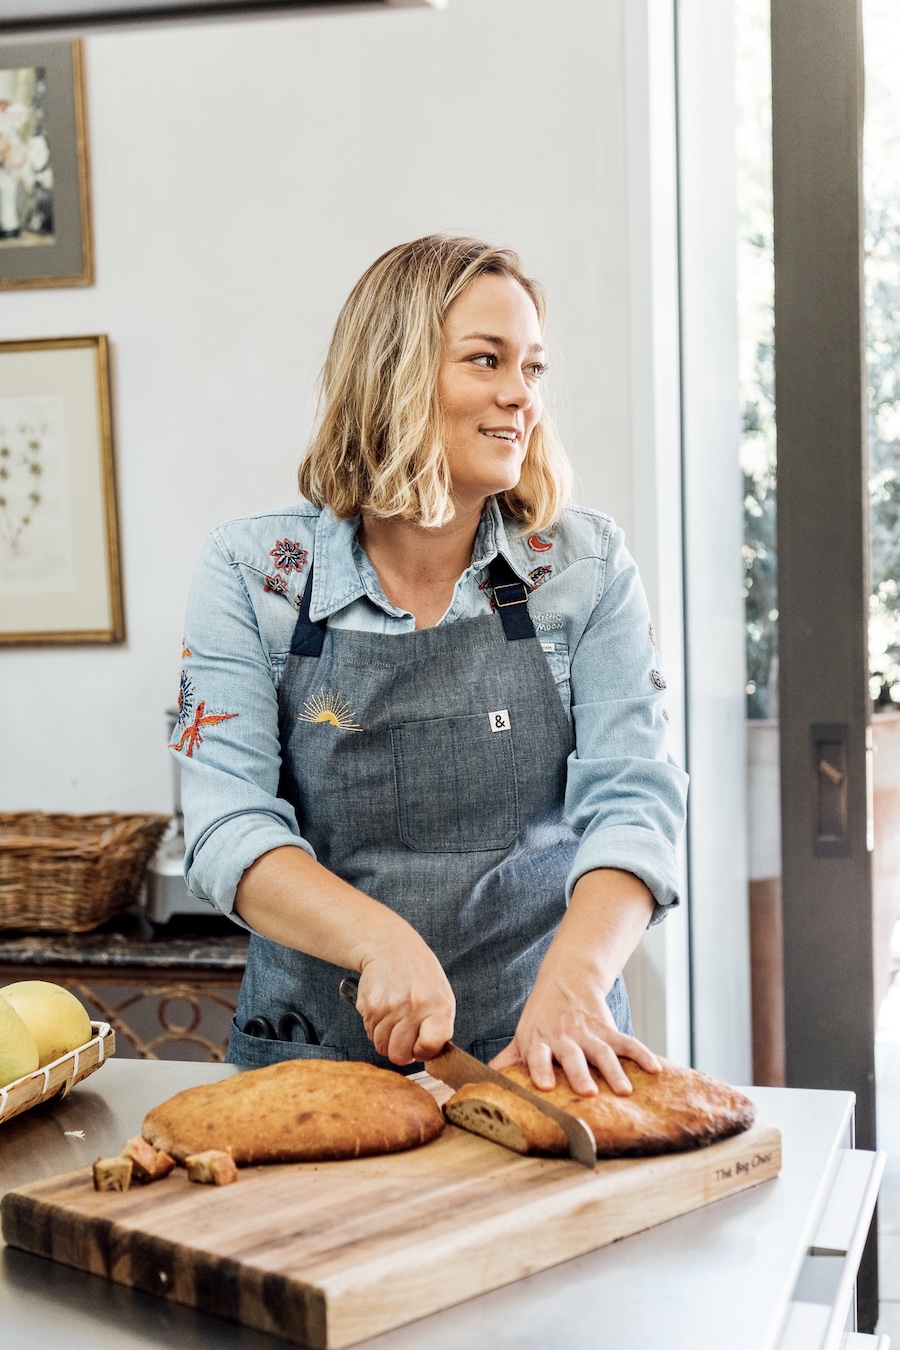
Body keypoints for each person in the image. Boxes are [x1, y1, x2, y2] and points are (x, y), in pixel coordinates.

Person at [174, 234, 688, 1098]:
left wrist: (573, 983)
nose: (520, 396)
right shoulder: (254, 574)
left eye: (532, 368)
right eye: (486, 360)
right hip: (311, 1064)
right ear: (395, 374)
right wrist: (379, 939)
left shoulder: (584, 567)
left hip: (547, 1057)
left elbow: (636, 802)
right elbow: (228, 827)